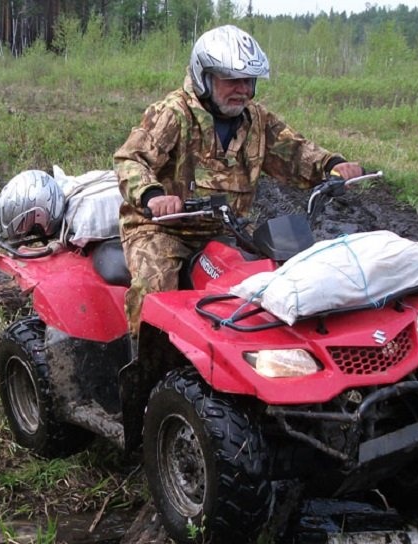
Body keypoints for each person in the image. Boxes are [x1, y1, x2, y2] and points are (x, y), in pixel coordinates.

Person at [114, 24, 363, 337]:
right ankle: (147, 368)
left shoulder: (256, 119)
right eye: (232, 80)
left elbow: (295, 151)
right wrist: (152, 195)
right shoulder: (173, 113)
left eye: (248, 80)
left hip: (225, 227)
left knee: (276, 280)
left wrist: (332, 165)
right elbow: (130, 159)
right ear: (205, 78)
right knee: (154, 287)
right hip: (163, 228)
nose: (243, 89)